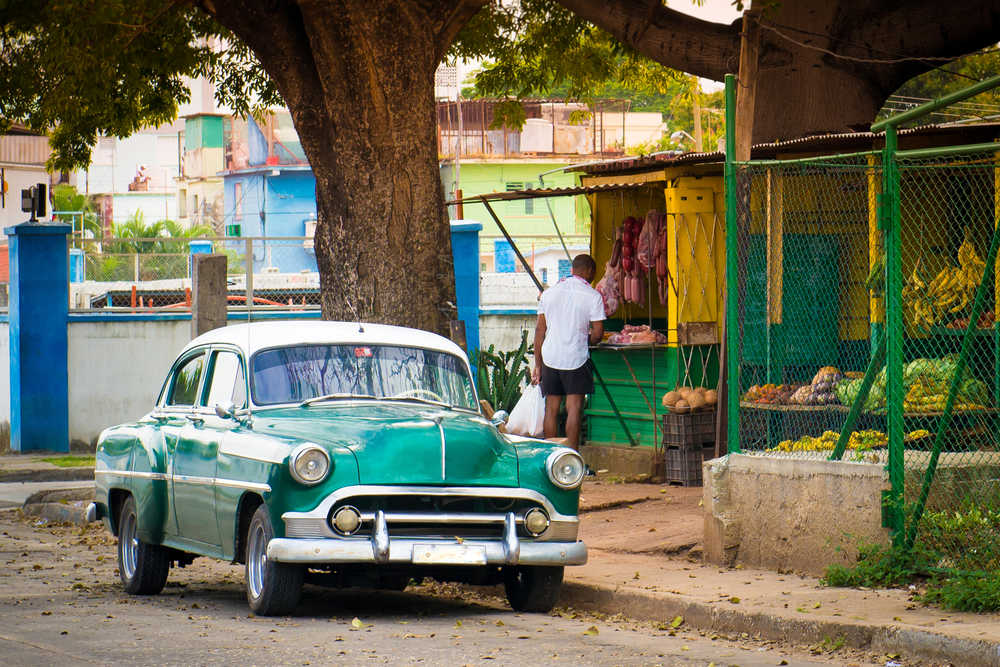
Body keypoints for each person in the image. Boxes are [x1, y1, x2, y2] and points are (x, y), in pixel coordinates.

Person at [531, 253, 605, 450]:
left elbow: (540, 330)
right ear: (589, 271)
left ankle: (551, 456)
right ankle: (572, 460)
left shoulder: (549, 294)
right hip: (576, 359)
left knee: (551, 409)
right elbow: (598, 334)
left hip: (550, 357)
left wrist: (537, 365)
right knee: (574, 409)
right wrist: (585, 339)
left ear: (572, 270)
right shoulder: (593, 296)